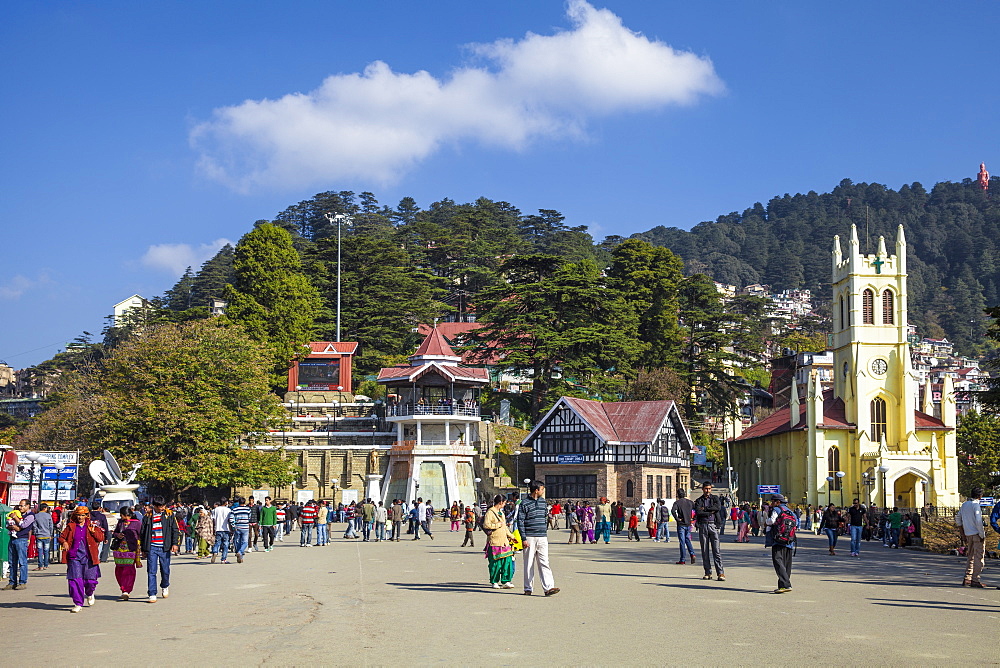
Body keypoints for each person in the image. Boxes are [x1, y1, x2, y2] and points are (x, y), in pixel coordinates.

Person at [59, 505, 105, 612]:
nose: (80, 517)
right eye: (78, 515)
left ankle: (89, 593)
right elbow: (61, 537)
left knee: (90, 580)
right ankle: (78, 603)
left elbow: (101, 538)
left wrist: (93, 532)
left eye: (82, 515)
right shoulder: (71, 526)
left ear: (86, 516)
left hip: (89, 556)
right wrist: (64, 542)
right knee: (75, 580)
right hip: (74, 557)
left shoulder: (92, 525)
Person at [517, 481, 559, 597]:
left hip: (542, 536)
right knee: (529, 563)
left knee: (544, 562)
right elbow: (520, 521)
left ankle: (548, 587)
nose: (543, 491)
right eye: (542, 489)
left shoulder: (543, 502)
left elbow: (545, 518)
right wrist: (523, 538)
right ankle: (528, 588)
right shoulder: (524, 503)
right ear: (536, 490)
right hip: (529, 537)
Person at [140, 496, 180, 603]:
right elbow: (143, 533)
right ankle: (152, 593)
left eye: (163, 506)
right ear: (155, 506)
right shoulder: (147, 517)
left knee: (165, 570)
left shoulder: (169, 515)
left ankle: (165, 585)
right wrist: (143, 549)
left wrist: (175, 544)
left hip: (164, 547)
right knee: (151, 571)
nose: (162, 508)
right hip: (152, 547)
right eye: (160, 507)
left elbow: (175, 530)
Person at [482, 495, 515, 589]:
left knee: (507, 561)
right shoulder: (490, 512)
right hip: (495, 541)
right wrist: (498, 524)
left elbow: (504, 527)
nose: (505, 505)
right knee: (496, 563)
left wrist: (511, 536)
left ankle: (506, 580)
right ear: (501, 502)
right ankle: (494, 581)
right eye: (504, 503)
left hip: (504, 541)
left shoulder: (501, 513)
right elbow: (486, 525)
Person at [694, 483, 724, 581]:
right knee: (705, 551)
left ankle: (720, 573)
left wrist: (705, 509)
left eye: (709, 489)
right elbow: (698, 512)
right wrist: (710, 512)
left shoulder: (715, 499)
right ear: (703, 489)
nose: (708, 491)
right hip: (703, 525)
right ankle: (708, 572)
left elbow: (717, 508)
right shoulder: (699, 500)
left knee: (716, 550)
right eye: (706, 489)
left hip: (713, 525)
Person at [957, 487, 986, 588]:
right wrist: (982, 535)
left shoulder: (964, 505)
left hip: (968, 533)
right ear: (980, 496)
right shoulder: (976, 505)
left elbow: (958, 519)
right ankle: (975, 579)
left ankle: (967, 577)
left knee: (971, 556)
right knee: (979, 557)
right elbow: (978, 521)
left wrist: (962, 533)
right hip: (977, 534)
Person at [766, 494, 796, 594]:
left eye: (773, 501)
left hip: (778, 540)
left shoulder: (777, 510)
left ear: (778, 502)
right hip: (789, 541)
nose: (772, 503)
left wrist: (766, 522)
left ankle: (786, 584)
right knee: (787, 564)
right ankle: (783, 586)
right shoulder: (791, 512)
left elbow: (771, 521)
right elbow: (797, 524)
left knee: (778, 561)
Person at [110, 506, 141, 601]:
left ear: (127, 515)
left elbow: (141, 535)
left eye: (122, 515)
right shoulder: (120, 523)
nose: (121, 517)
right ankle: (122, 588)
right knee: (119, 570)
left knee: (129, 570)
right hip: (119, 550)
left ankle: (126, 590)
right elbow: (115, 533)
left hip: (131, 549)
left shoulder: (137, 523)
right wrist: (117, 535)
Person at [4, 499, 33, 590]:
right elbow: (8, 524)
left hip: (22, 539)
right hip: (13, 538)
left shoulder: (30, 515)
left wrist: (15, 517)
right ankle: (12, 582)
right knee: (12, 562)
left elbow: (24, 525)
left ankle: (22, 582)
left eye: (22, 505)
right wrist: (12, 526)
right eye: (20, 506)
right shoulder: (16, 513)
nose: (20, 507)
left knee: (22, 562)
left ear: (28, 506)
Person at [672, 489, 696, 564]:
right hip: (688, 523)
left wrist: (677, 519)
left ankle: (682, 559)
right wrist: (694, 518)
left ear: (678, 495)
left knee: (682, 541)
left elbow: (673, 511)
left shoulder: (677, 503)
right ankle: (692, 554)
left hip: (681, 524)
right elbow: (696, 509)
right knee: (687, 539)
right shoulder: (690, 502)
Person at [32, 503, 54, 571]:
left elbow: (34, 526)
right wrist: (50, 534)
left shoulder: (36, 516)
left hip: (39, 536)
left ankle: (40, 565)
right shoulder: (48, 516)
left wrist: (36, 533)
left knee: (40, 551)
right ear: (45, 508)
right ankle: (46, 565)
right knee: (46, 551)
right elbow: (51, 526)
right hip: (47, 535)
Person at [230, 497, 251, 562]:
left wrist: (233, 526)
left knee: (237, 541)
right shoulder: (248, 509)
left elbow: (231, 518)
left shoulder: (234, 509)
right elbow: (249, 517)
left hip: (237, 527)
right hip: (245, 527)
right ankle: (240, 552)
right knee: (245, 542)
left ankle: (240, 555)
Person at [211, 499, 232, 564]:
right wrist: (231, 529)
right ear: (226, 503)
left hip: (218, 528)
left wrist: (213, 529)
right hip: (226, 529)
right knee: (226, 544)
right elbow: (230, 520)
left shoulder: (215, 510)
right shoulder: (228, 510)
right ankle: (223, 559)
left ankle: (215, 551)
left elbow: (213, 520)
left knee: (217, 542)